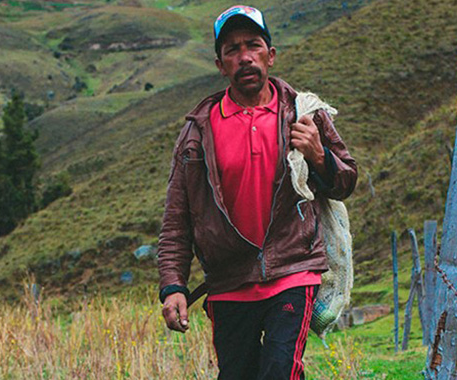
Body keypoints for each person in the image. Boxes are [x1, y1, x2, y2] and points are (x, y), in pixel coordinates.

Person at [157, 5, 357, 379]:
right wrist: (173, 286)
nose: (244, 56)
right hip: (228, 281)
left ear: (271, 55)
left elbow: (345, 182)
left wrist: (317, 154)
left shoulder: (304, 114)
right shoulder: (197, 134)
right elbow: (177, 220)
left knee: (280, 370)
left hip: (292, 271)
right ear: (220, 65)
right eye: (232, 49)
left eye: (253, 44)